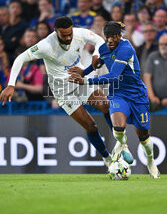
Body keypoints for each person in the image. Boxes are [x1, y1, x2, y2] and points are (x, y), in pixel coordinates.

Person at [0, 16, 133, 169]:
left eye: (70, 33)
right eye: (64, 35)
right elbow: (20, 58)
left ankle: (122, 147)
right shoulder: (46, 46)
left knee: (106, 106)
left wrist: (96, 54)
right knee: (91, 126)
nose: (69, 37)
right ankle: (108, 159)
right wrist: (11, 85)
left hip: (79, 80)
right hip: (62, 91)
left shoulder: (79, 33)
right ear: (56, 32)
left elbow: (98, 40)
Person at [69, 21, 160, 178]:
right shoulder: (104, 48)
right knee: (118, 128)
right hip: (118, 93)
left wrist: (86, 80)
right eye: (107, 37)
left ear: (120, 36)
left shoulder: (126, 49)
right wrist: (84, 72)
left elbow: (113, 76)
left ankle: (151, 161)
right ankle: (122, 145)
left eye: (113, 37)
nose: (110, 40)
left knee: (143, 137)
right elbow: (99, 63)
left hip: (137, 95)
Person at [144, 34, 167, 111]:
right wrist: (152, 96)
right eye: (161, 44)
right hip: (154, 98)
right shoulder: (153, 56)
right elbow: (147, 78)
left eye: (165, 44)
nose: (163, 46)